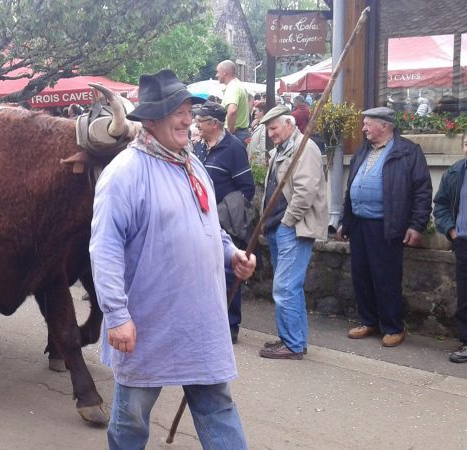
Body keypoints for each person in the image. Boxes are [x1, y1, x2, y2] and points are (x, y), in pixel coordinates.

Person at [90, 69, 255, 449]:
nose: (187, 119)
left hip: (200, 319)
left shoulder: (192, 164)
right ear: (151, 119)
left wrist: (231, 254)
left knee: (217, 406)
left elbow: (208, 224)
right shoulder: (124, 174)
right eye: (176, 111)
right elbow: (105, 248)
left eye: (188, 110)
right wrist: (116, 316)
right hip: (148, 322)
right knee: (131, 418)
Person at [337, 107, 432, 347]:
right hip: (359, 223)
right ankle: (368, 321)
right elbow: (351, 189)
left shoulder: (407, 152)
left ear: (385, 126)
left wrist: (416, 225)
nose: (364, 128)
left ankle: (393, 327)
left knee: (386, 277)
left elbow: (422, 191)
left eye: (368, 124)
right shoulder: (363, 151)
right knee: (361, 275)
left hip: (386, 224)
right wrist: (344, 221)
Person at [258, 106, 328, 360]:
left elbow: (305, 193)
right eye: (268, 129)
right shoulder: (283, 149)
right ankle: (293, 339)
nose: (271, 133)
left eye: (274, 128)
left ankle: (293, 344)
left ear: (289, 124)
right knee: (290, 287)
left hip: (293, 228)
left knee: (285, 287)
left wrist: (286, 222)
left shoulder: (305, 148)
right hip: (281, 226)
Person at [193, 101, 256, 344]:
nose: (196, 123)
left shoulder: (234, 148)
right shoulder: (198, 147)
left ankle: (230, 326)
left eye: (201, 120)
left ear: (215, 123)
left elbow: (247, 188)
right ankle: (209, 320)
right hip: (200, 219)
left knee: (229, 272)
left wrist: (224, 211)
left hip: (224, 222)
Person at [432, 131, 467, 363]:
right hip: (463, 243)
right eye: (466, 142)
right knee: (465, 296)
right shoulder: (455, 173)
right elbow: (441, 206)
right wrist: (452, 232)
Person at [216, 59, 251, 144]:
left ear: (225, 72)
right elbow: (251, 98)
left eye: (218, 72)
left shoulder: (232, 87)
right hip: (241, 132)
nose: (216, 75)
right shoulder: (238, 85)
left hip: (237, 134)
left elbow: (232, 110)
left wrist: (229, 133)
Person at [248, 102, 269, 166]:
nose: (254, 113)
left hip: (259, 165)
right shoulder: (258, 124)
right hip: (254, 162)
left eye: (256, 110)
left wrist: (264, 165)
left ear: (261, 111)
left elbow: (264, 147)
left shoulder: (264, 126)